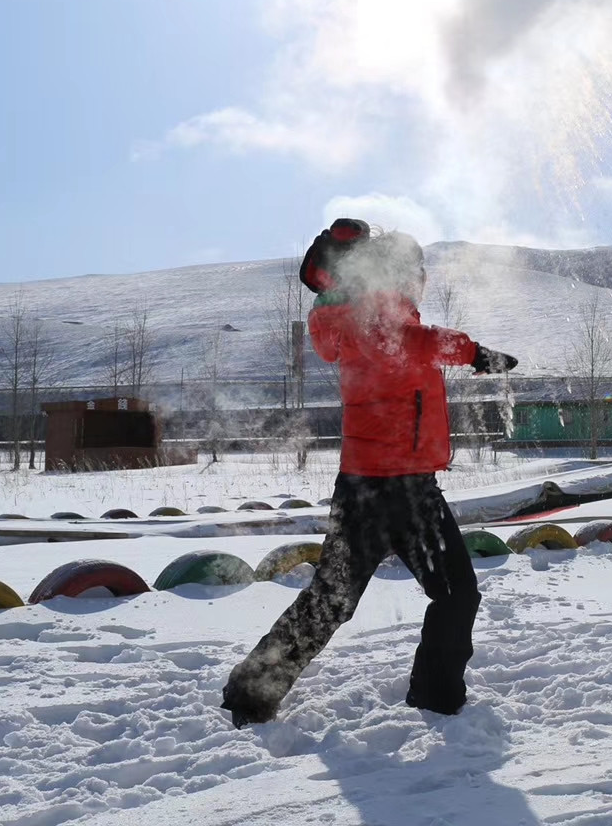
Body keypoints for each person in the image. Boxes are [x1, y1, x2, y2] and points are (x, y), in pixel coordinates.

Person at [221, 219, 518, 728]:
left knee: (349, 598)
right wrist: (474, 353)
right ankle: (434, 699)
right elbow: (411, 343)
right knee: (442, 594)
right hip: (388, 486)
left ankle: (255, 692)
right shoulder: (369, 320)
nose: (417, 280)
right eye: (413, 271)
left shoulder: (363, 317)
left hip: (387, 483)